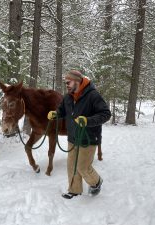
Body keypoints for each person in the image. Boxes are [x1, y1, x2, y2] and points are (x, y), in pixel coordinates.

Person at [47, 70, 111, 199]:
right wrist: (56, 114)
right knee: (71, 166)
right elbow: (62, 110)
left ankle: (96, 182)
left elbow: (105, 114)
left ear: (77, 81)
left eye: (68, 82)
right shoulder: (68, 97)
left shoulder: (93, 95)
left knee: (82, 167)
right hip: (73, 138)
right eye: (66, 83)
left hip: (88, 138)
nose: (67, 85)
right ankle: (74, 190)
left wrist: (88, 121)